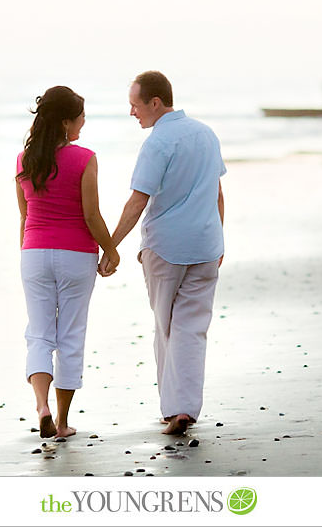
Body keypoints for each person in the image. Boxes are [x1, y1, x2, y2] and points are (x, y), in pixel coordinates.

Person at [100, 71, 225, 436]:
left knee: (165, 328)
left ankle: (173, 409)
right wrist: (220, 238)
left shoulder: (158, 143)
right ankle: (184, 408)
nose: (132, 113)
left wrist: (110, 245)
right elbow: (217, 193)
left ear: (156, 102)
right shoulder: (206, 134)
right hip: (205, 245)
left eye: (135, 106)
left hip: (167, 248)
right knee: (192, 329)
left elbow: (138, 200)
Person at [16, 85, 120, 439]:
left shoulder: (24, 160)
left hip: (33, 254)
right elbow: (91, 215)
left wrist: (27, 255)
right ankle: (61, 423)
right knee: (71, 336)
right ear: (65, 121)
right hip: (76, 255)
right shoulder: (84, 158)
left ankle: (41, 406)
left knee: (40, 335)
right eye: (80, 118)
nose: (83, 124)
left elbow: (25, 216)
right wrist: (112, 250)